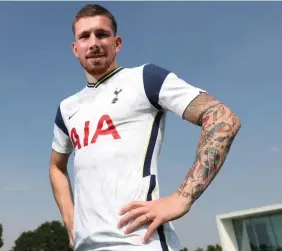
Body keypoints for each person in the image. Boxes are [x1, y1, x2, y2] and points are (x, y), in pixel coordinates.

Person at [49, 4, 241, 251]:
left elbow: (223, 118)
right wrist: (69, 218)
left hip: (140, 242)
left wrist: (182, 197)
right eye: (84, 36)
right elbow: (56, 166)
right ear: (75, 49)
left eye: (102, 34)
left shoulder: (145, 79)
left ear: (117, 43)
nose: (93, 42)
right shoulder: (66, 108)